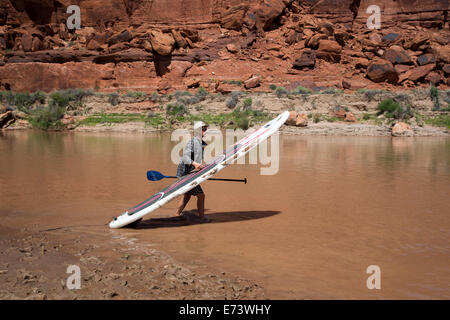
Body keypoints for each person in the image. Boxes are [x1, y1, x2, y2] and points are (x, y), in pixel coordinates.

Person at [175, 121, 210, 222]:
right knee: (201, 195)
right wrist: (195, 164)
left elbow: (196, 159)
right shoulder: (193, 142)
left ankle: (177, 214)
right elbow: (185, 157)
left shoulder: (199, 142)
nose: (205, 131)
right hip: (186, 174)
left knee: (187, 195)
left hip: (189, 173)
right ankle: (202, 218)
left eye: (205, 129)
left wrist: (200, 166)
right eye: (203, 129)